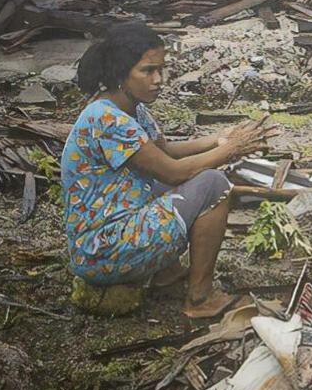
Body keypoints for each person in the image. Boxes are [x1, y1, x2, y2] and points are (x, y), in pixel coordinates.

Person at [62, 23, 272, 318]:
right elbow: (173, 172)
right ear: (121, 72)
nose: (159, 80)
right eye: (148, 71)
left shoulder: (130, 108)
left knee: (176, 184)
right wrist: (231, 149)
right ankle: (200, 299)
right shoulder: (107, 119)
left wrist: (220, 139)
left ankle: (165, 273)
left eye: (161, 69)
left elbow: (165, 151)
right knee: (213, 184)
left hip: (107, 237)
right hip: (102, 252)